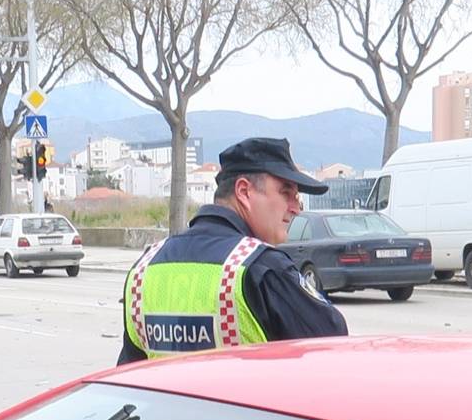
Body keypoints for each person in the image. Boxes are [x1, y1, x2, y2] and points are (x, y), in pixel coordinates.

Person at [118, 136, 345, 362]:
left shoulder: (144, 269)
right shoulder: (262, 268)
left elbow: (129, 377)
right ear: (244, 192)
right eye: (286, 193)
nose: (296, 208)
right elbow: (334, 346)